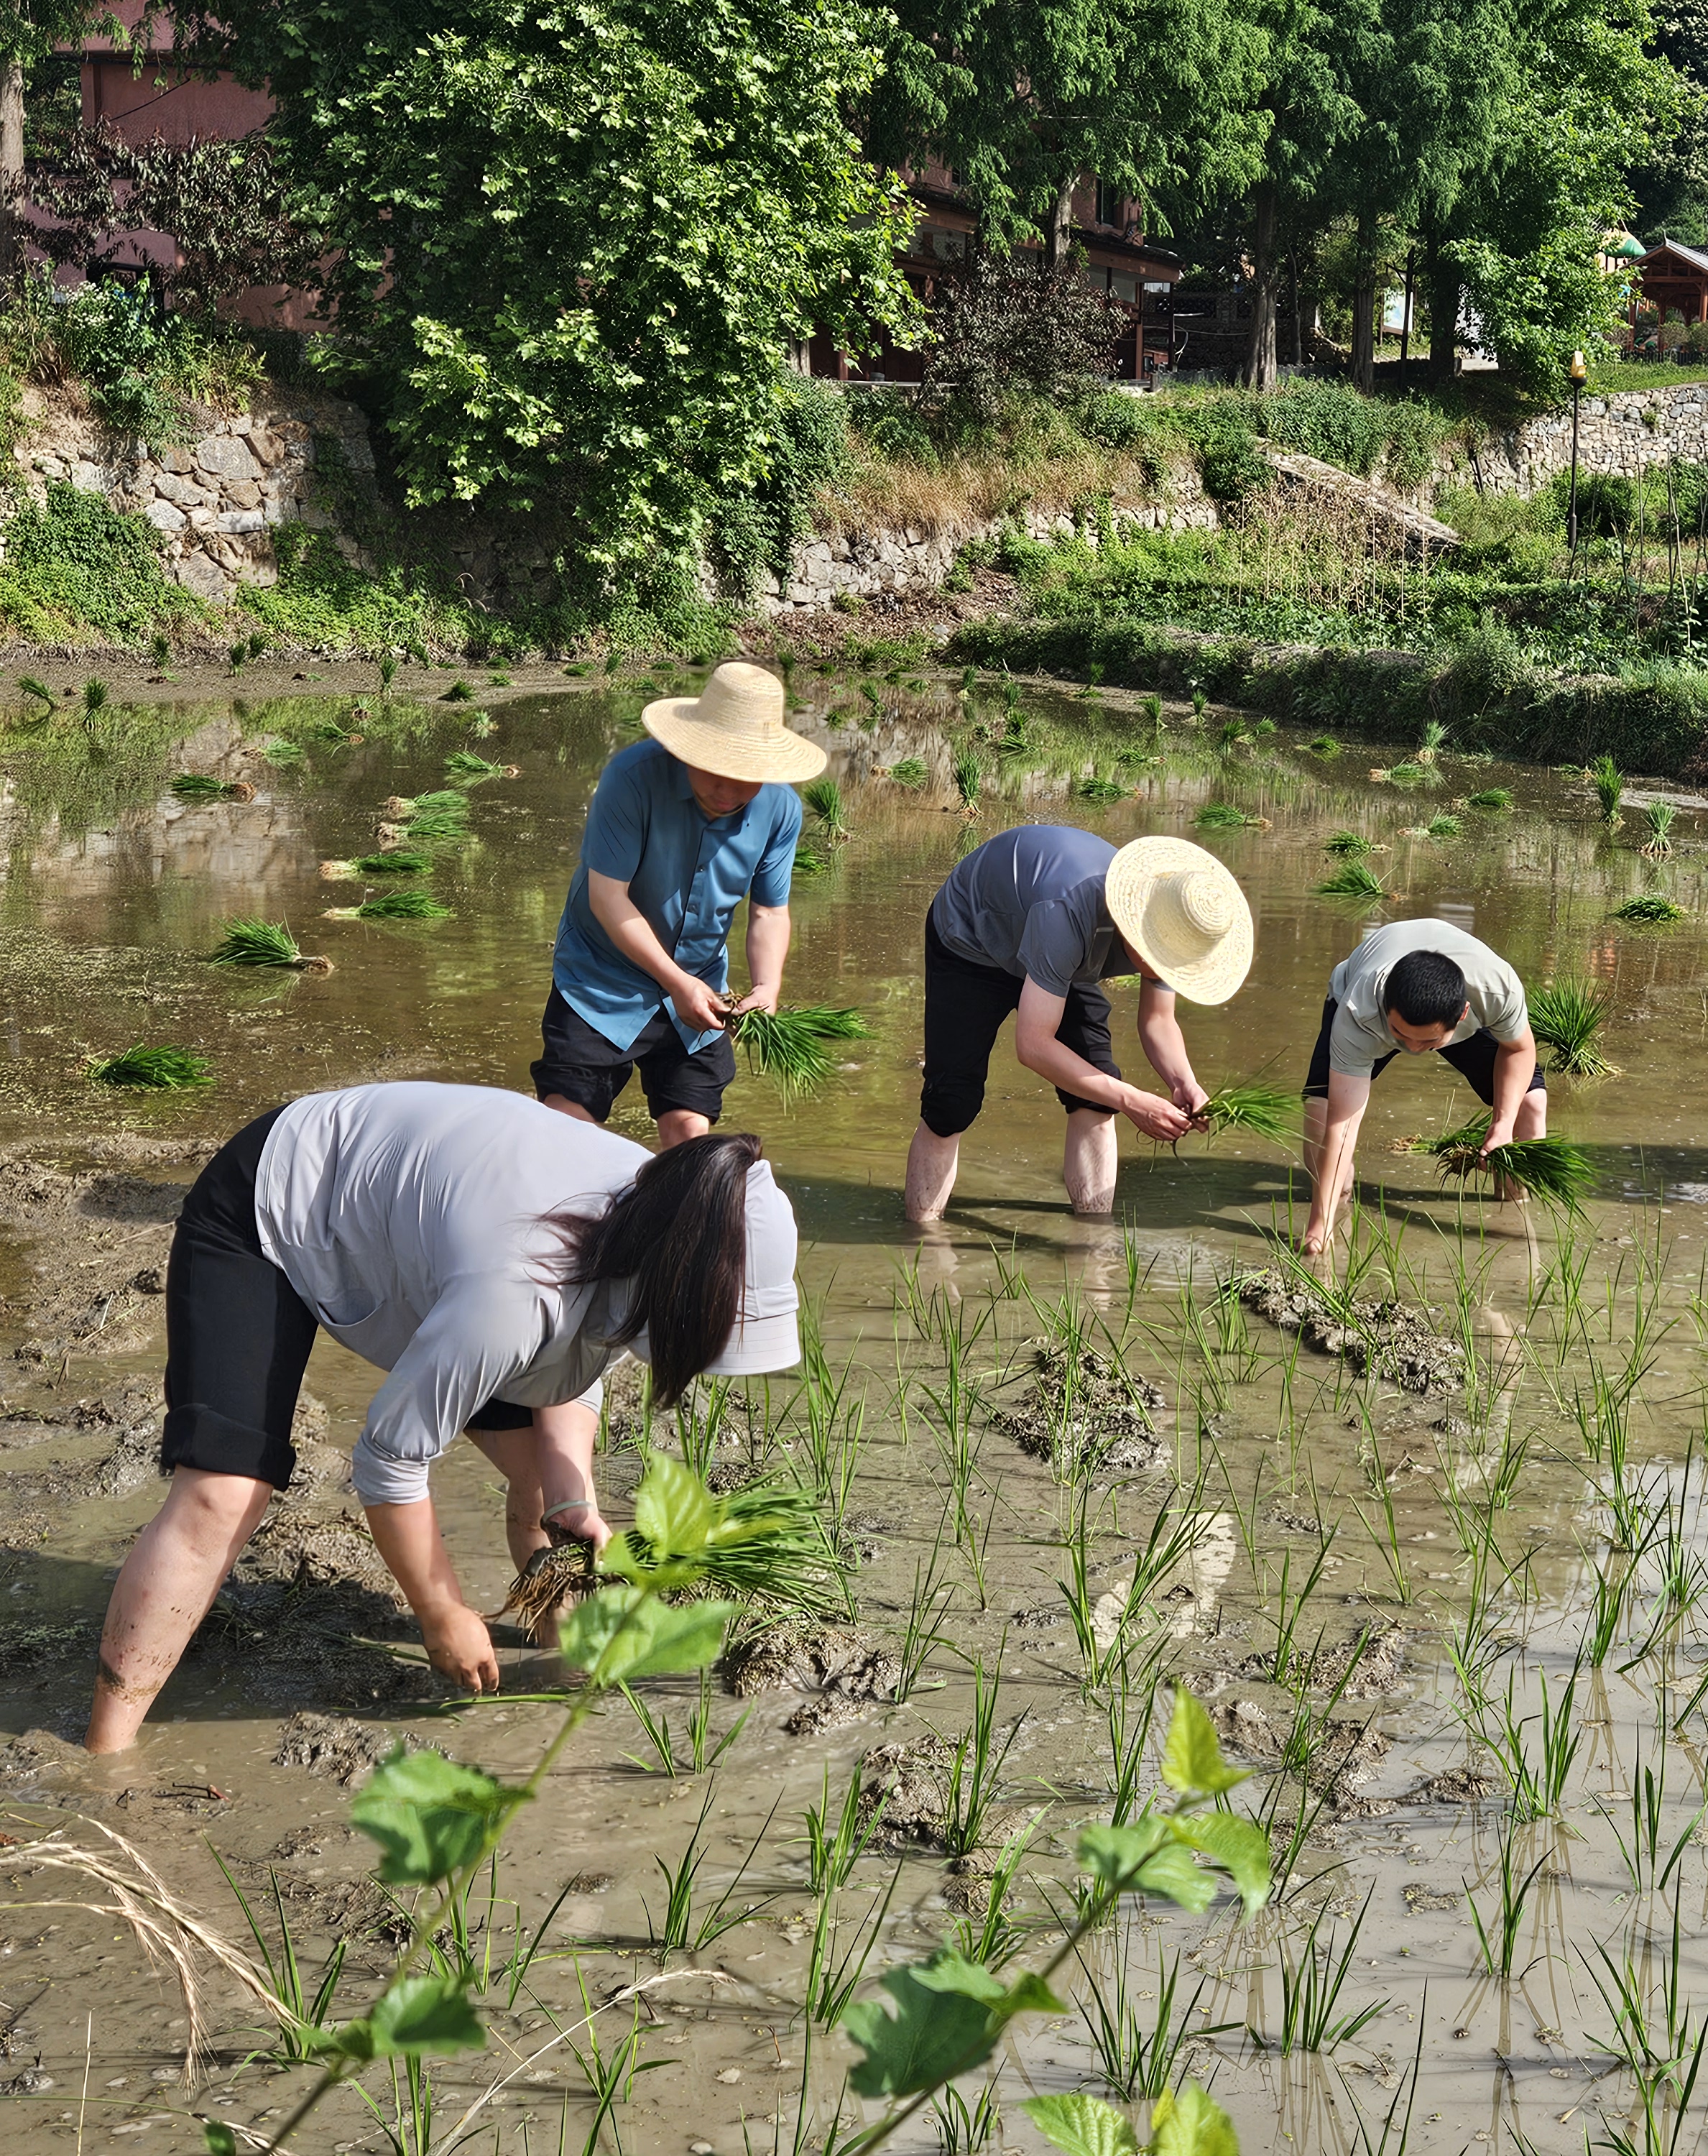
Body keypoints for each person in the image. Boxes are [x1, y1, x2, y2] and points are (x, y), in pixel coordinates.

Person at [86, 1082, 802, 1753]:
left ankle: (564, 1670)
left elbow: (577, 1363)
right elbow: (388, 1460)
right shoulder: (518, 1288)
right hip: (275, 1203)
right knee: (225, 1491)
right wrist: (440, 1611)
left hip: (442, 1252)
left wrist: (570, 1494)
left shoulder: (667, 1214)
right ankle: (104, 1753)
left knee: (543, 1492)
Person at [536, 661, 821, 1148]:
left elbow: (769, 912)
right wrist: (675, 982)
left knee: (690, 1136)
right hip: (602, 979)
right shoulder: (632, 779)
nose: (728, 791)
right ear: (690, 749)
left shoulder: (780, 809)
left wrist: (767, 988)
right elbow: (608, 898)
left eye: (746, 777)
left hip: (701, 986)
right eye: (716, 770)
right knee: (567, 1128)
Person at [905, 828, 1255, 1222]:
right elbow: (1033, 1045)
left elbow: (1158, 1021)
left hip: (1058, 959)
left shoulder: (1175, 928)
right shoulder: (1069, 911)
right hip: (973, 940)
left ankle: (1093, 1243)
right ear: (1139, 934)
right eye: (1162, 959)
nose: (1166, 970)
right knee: (951, 1102)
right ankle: (921, 1245)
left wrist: (1184, 1082)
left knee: (1097, 1093)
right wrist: (1132, 1100)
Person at [1300, 919, 1545, 1258]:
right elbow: (1343, 1126)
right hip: (1368, 1011)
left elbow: (1518, 1049)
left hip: (1447, 1008)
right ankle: (1337, 1200)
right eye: (1403, 1038)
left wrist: (1502, 1124)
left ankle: (1515, 1216)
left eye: (1426, 1041)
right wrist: (1319, 1224)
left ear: (1463, 1015)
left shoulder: (1496, 989)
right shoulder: (1360, 1010)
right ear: (1387, 1009)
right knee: (1320, 1114)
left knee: (1530, 1107)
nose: (1413, 1050)